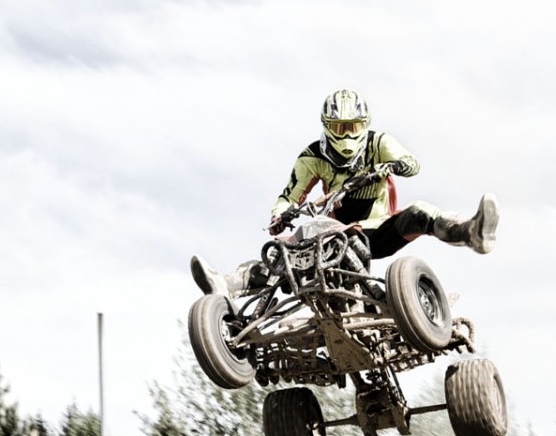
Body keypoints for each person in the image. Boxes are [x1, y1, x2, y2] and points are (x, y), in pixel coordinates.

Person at [192, 88, 498, 297]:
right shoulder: (312, 157)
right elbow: (289, 195)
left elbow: (412, 163)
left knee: (419, 211)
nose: (347, 135)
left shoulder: (379, 143)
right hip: (330, 236)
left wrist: (391, 166)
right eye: (339, 128)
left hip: (377, 231)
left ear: (364, 126)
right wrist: (279, 213)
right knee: (281, 251)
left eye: (353, 127)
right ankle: (227, 285)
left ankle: (471, 231)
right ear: (327, 127)